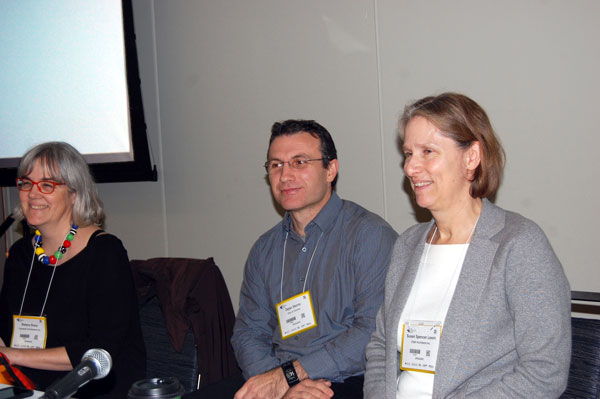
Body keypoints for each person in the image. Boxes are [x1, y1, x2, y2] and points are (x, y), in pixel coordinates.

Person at [363, 93, 571, 398]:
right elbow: (381, 347)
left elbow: (544, 372)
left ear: (471, 157)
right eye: (408, 153)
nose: (410, 167)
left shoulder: (519, 244)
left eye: (428, 152)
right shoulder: (408, 245)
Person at [199, 119, 398, 399]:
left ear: (331, 170)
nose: (285, 175)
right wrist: (276, 384)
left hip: (347, 380)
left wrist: (290, 376)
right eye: (276, 165)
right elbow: (248, 333)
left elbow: (372, 333)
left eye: (299, 162)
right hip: (277, 375)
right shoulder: (264, 249)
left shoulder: (370, 237)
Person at [0, 142, 146, 398]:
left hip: (95, 392)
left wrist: (13, 355)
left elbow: (99, 351)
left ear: (75, 194)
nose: (33, 194)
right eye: (26, 183)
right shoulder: (21, 255)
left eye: (47, 185)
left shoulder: (105, 253)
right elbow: (5, 332)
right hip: (26, 388)